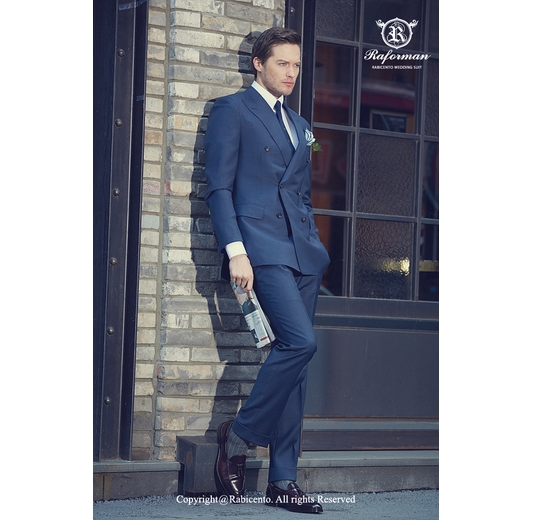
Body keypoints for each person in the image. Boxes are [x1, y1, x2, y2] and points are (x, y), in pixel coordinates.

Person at [204, 27, 330, 514]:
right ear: (259, 63)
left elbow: (300, 193)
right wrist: (235, 250)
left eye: (297, 65)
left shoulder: (300, 124)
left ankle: (282, 480)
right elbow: (219, 187)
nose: (291, 73)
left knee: (295, 365)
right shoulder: (232, 110)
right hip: (260, 247)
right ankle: (238, 436)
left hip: (303, 254)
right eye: (283, 63)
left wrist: (315, 244)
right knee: (300, 342)